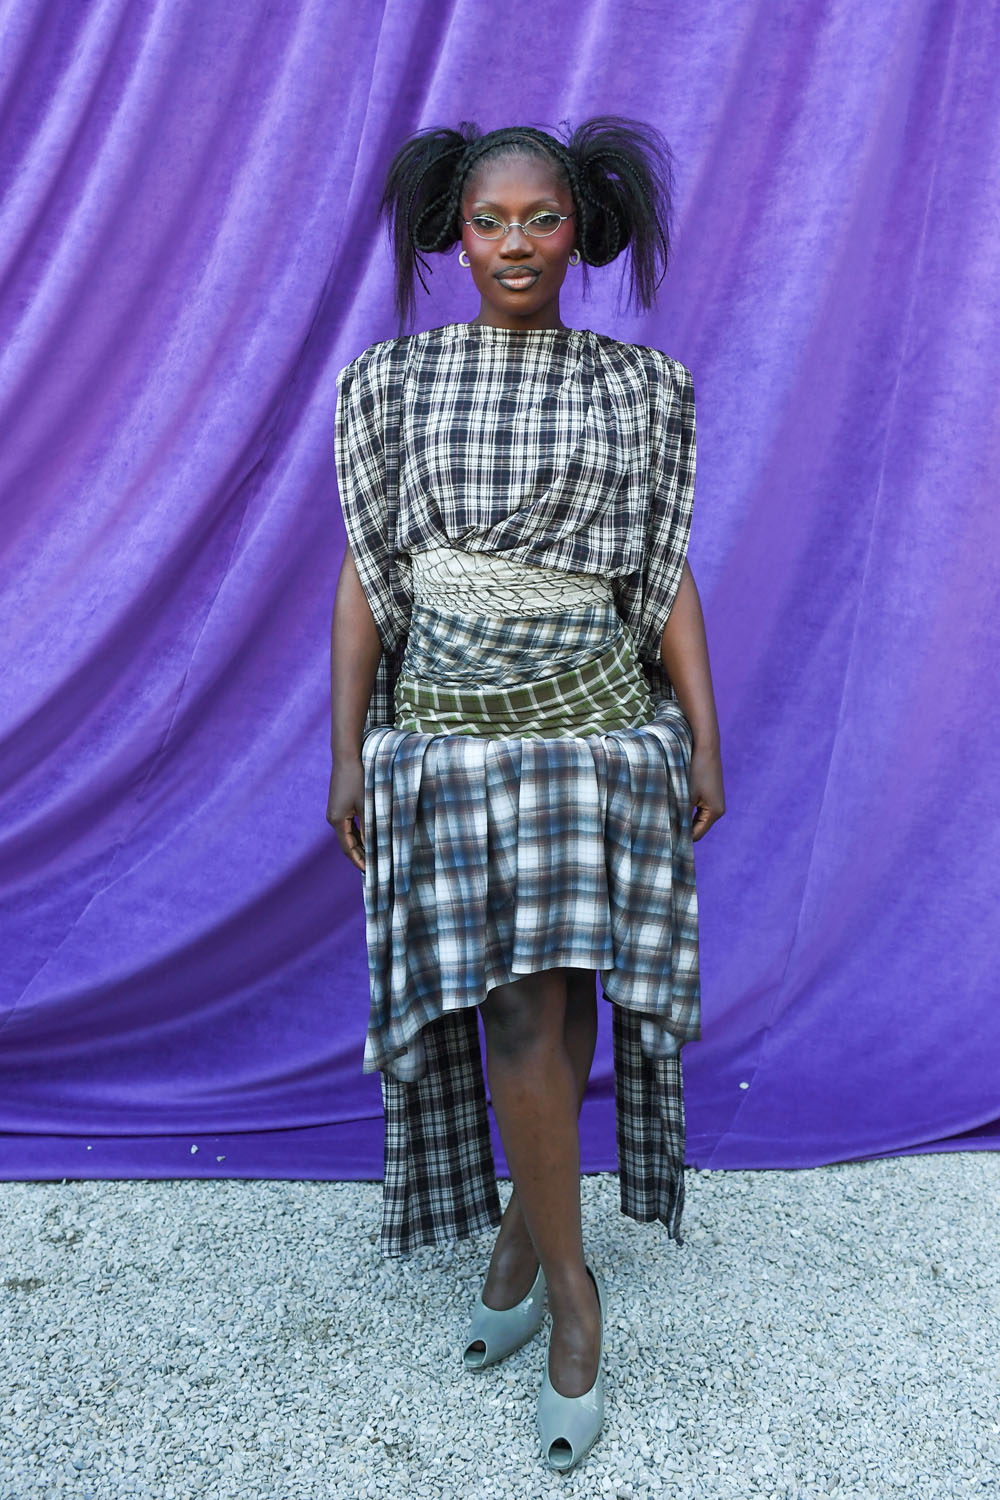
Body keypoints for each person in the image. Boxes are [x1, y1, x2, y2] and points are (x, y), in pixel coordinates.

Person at [327, 115, 724, 1473]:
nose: (514, 244)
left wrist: (705, 734)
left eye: (541, 220)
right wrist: (344, 748)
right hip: (448, 731)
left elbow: (660, 568)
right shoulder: (392, 385)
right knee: (511, 1005)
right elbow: (368, 572)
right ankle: (570, 1281)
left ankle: (534, 1251)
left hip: (595, 726)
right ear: (454, 234)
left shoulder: (640, 389)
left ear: (581, 232)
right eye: (489, 221)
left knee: (561, 986)